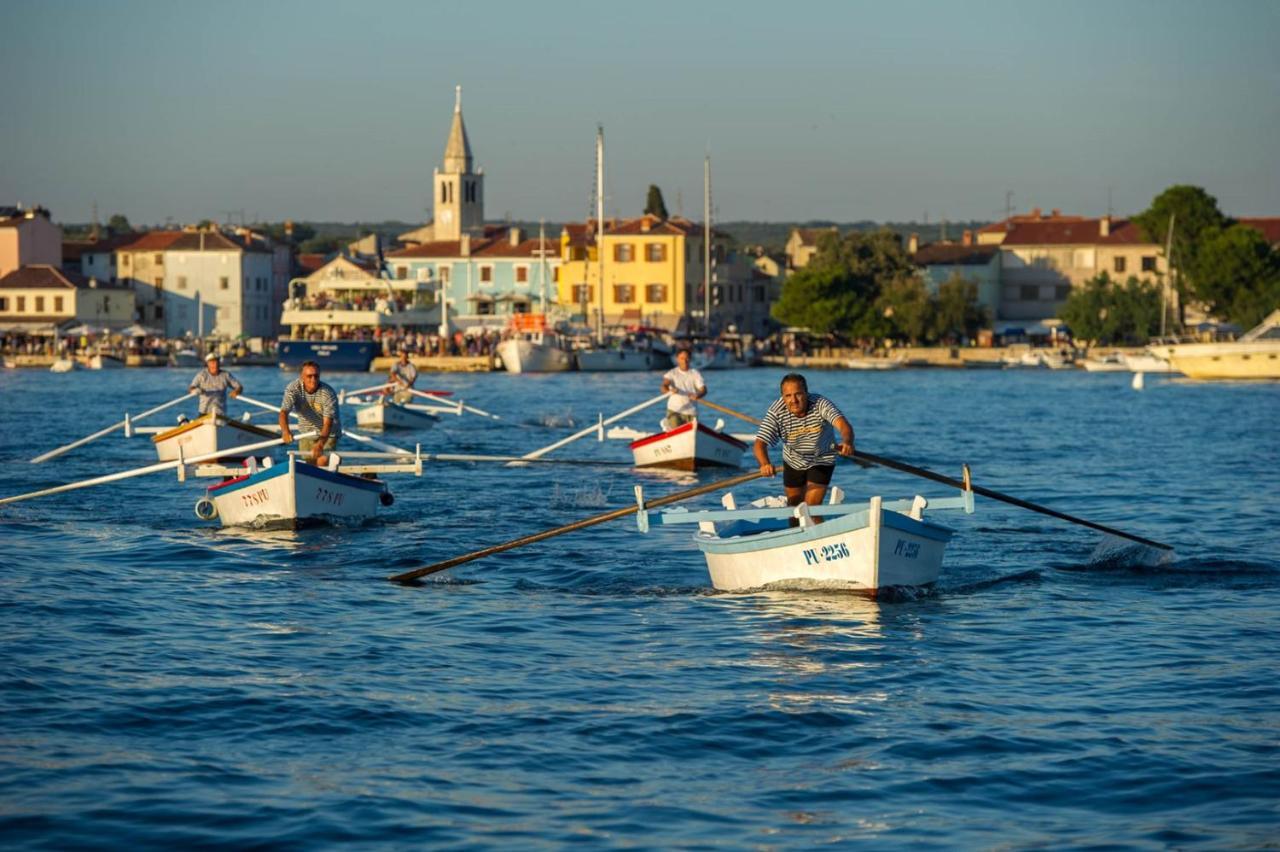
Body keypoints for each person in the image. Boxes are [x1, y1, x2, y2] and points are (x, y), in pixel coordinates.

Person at [754, 373, 855, 516]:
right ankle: (796, 535)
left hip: (822, 458)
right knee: (794, 509)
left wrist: (847, 442)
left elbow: (843, 425)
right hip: (793, 460)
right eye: (788, 396)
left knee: (811, 509)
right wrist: (764, 464)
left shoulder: (820, 403)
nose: (793, 400)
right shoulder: (777, 411)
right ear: (782, 397)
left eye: (798, 394)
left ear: (806, 394)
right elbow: (759, 444)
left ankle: (816, 536)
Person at [279, 361, 342, 467]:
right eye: (309, 376)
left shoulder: (328, 393)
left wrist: (320, 444)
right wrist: (285, 431)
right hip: (306, 432)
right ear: (302, 377)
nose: (313, 380)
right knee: (310, 465)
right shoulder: (293, 389)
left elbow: (328, 423)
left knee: (322, 462)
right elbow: (283, 412)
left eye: (316, 376)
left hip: (329, 433)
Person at [660, 348, 706, 428]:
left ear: (690, 359)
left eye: (687, 358)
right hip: (675, 411)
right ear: (677, 359)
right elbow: (663, 386)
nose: (684, 361)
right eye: (682, 358)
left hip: (691, 413)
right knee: (675, 432)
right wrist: (669, 391)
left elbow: (703, 390)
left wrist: (698, 395)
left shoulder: (695, 373)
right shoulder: (672, 373)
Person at [188, 352, 242, 417]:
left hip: (220, 413)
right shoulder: (201, 375)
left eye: (217, 362)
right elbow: (191, 388)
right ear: (208, 364)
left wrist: (236, 391)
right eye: (212, 362)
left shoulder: (226, 375)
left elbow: (239, 387)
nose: (215, 364)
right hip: (204, 412)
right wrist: (195, 390)